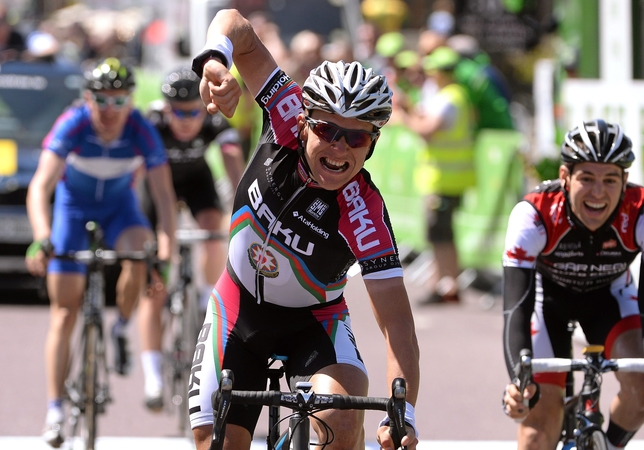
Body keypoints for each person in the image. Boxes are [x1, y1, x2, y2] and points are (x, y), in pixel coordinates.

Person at [188, 8, 420, 450]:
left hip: (314, 324)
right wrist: (215, 60)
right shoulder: (283, 114)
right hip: (238, 310)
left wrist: (403, 413)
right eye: (328, 130)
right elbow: (234, 24)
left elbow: (398, 327)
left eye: (356, 138)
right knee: (212, 438)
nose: (338, 147)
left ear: (372, 144)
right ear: (303, 122)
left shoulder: (365, 214)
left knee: (342, 420)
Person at [501, 120, 644, 450]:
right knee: (536, 431)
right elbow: (515, 309)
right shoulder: (533, 214)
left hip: (611, 301)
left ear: (625, 181)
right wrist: (521, 382)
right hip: (548, 305)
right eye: (586, 178)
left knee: (643, 390)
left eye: (609, 180)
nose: (597, 192)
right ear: (564, 177)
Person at [25, 57, 177, 448]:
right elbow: (40, 187)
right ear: (87, 99)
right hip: (72, 209)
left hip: (119, 209)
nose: (110, 111)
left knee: (139, 254)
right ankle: (55, 409)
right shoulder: (73, 124)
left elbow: (163, 197)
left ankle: (122, 327)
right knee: (64, 311)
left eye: (119, 101)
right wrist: (42, 237)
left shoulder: (141, 130)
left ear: (131, 101)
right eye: (101, 101)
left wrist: (165, 250)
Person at [137, 67, 245, 411]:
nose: (184, 120)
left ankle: (203, 297)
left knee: (213, 228)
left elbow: (233, 165)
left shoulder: (216, 122)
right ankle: (152, 376)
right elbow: (132, 173)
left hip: (197, 182)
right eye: (176, 111)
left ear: (204, 108)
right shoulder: (150, 123)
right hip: (157, 188)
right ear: (165, 108)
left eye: (192, 112)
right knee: (154, 286)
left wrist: (243, 213)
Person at [400, 46, 476, 304]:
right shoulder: (454, 95)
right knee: (441, 234)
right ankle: (444, 283)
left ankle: (447, 285)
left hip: (444, 179)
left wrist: (405, 116)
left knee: (441, 234)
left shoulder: (449, 98)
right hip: (446, 177)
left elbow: (427, 129)